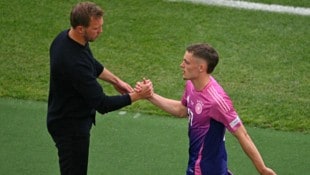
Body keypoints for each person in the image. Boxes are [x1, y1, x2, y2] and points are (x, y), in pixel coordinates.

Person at [47, 2, 152, 175]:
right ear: (81, 28)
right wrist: (137, 96)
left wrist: (116, 81)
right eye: (96, 28)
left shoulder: (66, 38)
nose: (101, 31)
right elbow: (102, 104)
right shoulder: (74, 63)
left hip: (66, 117)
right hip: (70, 127)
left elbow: (90, 63)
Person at [141, 43, 277, 175]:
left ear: (201, 68)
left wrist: (262, 169)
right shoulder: (191, 85)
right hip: (197, 166)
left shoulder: (216, 101)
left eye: (186, 62)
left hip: (206, 170)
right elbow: (182, 109)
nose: (181, 65)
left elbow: (242, 134)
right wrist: (150, 96)